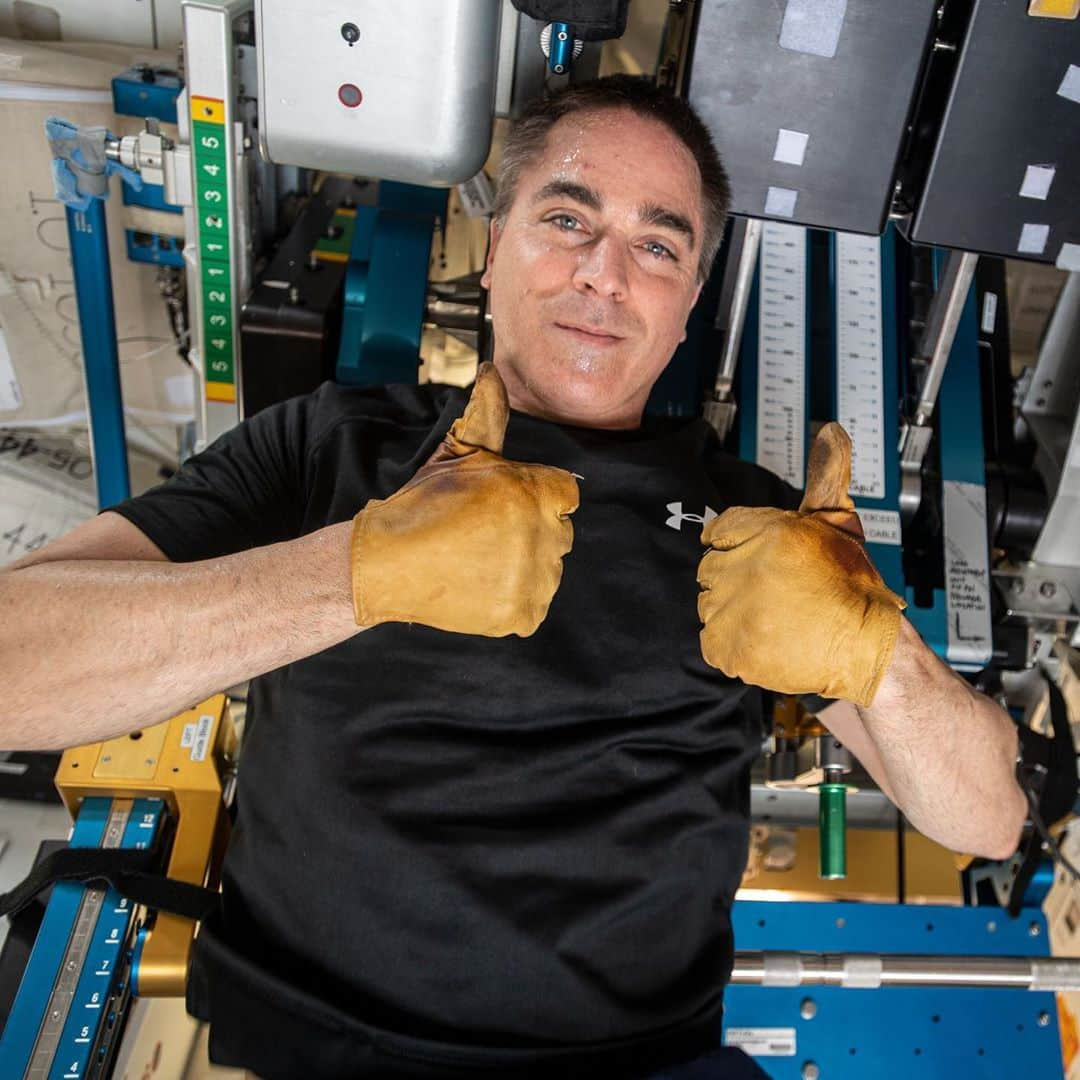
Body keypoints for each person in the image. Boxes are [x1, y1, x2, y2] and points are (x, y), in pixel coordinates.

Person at [3, 76, 1027, 1078]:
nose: (605, 274)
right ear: (493, 251)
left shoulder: (761, 530)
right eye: (568, 219)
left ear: (686, 308)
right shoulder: (334, 449)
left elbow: (986, 820)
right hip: (315, 1040)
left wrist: (876, 657)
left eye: (657, 246)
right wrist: (355, 573)